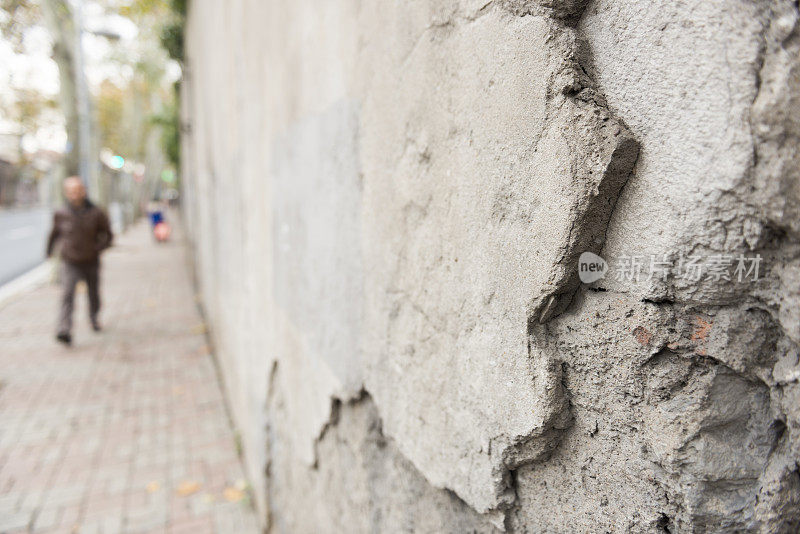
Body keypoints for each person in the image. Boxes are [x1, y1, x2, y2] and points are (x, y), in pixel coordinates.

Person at [46, 176, 113, 345]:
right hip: (70, 261)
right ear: (66, 193)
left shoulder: (96, 212)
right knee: (67, 294)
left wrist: (98, 249)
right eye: (71, 191)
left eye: (77, 190)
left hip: (91, 260)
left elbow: (108, 235)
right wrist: (49, 253)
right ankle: (64, 329)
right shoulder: (61, 213)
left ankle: (94, 318)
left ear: (84, 191)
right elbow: (54, 234)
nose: (74, 194)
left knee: (93, 293)